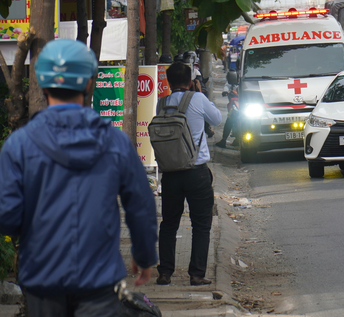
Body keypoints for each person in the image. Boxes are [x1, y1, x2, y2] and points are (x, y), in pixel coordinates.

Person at [0, 39, 158, 317]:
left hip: (41, 279)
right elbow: (141, 207)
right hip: (99, 279)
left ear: (42, 84)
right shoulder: (116, 142)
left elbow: (7, 216)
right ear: (88, 84)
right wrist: (144, 257)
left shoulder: (19, 145)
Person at [157, 62, 222, 286]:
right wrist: (200, 93)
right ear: (190, 81)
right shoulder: (198, 99)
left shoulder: (161, 103)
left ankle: (165, 272)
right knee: (201, 224)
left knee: (168, 223)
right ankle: (196, 274)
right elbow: (217, 119)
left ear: (168, 82)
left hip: (170, 173)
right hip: (196, 173)